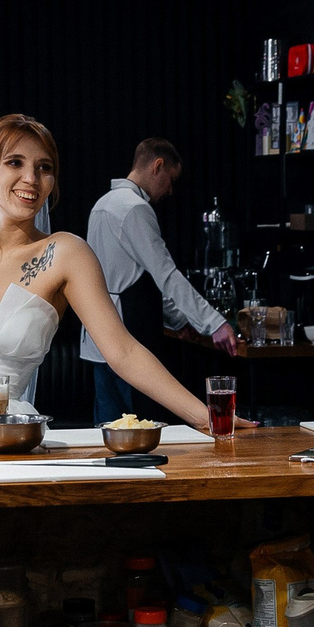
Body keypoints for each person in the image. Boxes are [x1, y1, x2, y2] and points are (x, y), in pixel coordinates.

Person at [0, 116, 228, 432]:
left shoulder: (67, 254)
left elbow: (124, 352)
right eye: (15, 162)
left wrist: (207, 417)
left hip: (5, 434)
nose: (31, 177)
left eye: (44, 167)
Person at [80, 137, 236, 423]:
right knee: (138, 428)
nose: (170, 190)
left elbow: (133, 277)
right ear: (158, 166)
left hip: (97, 334)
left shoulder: (102, 204)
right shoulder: (135, 207)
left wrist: (180, 320)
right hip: (129, 334)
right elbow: (166, 275)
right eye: (170, 180)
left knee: (108, 429)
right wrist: (214, 323)